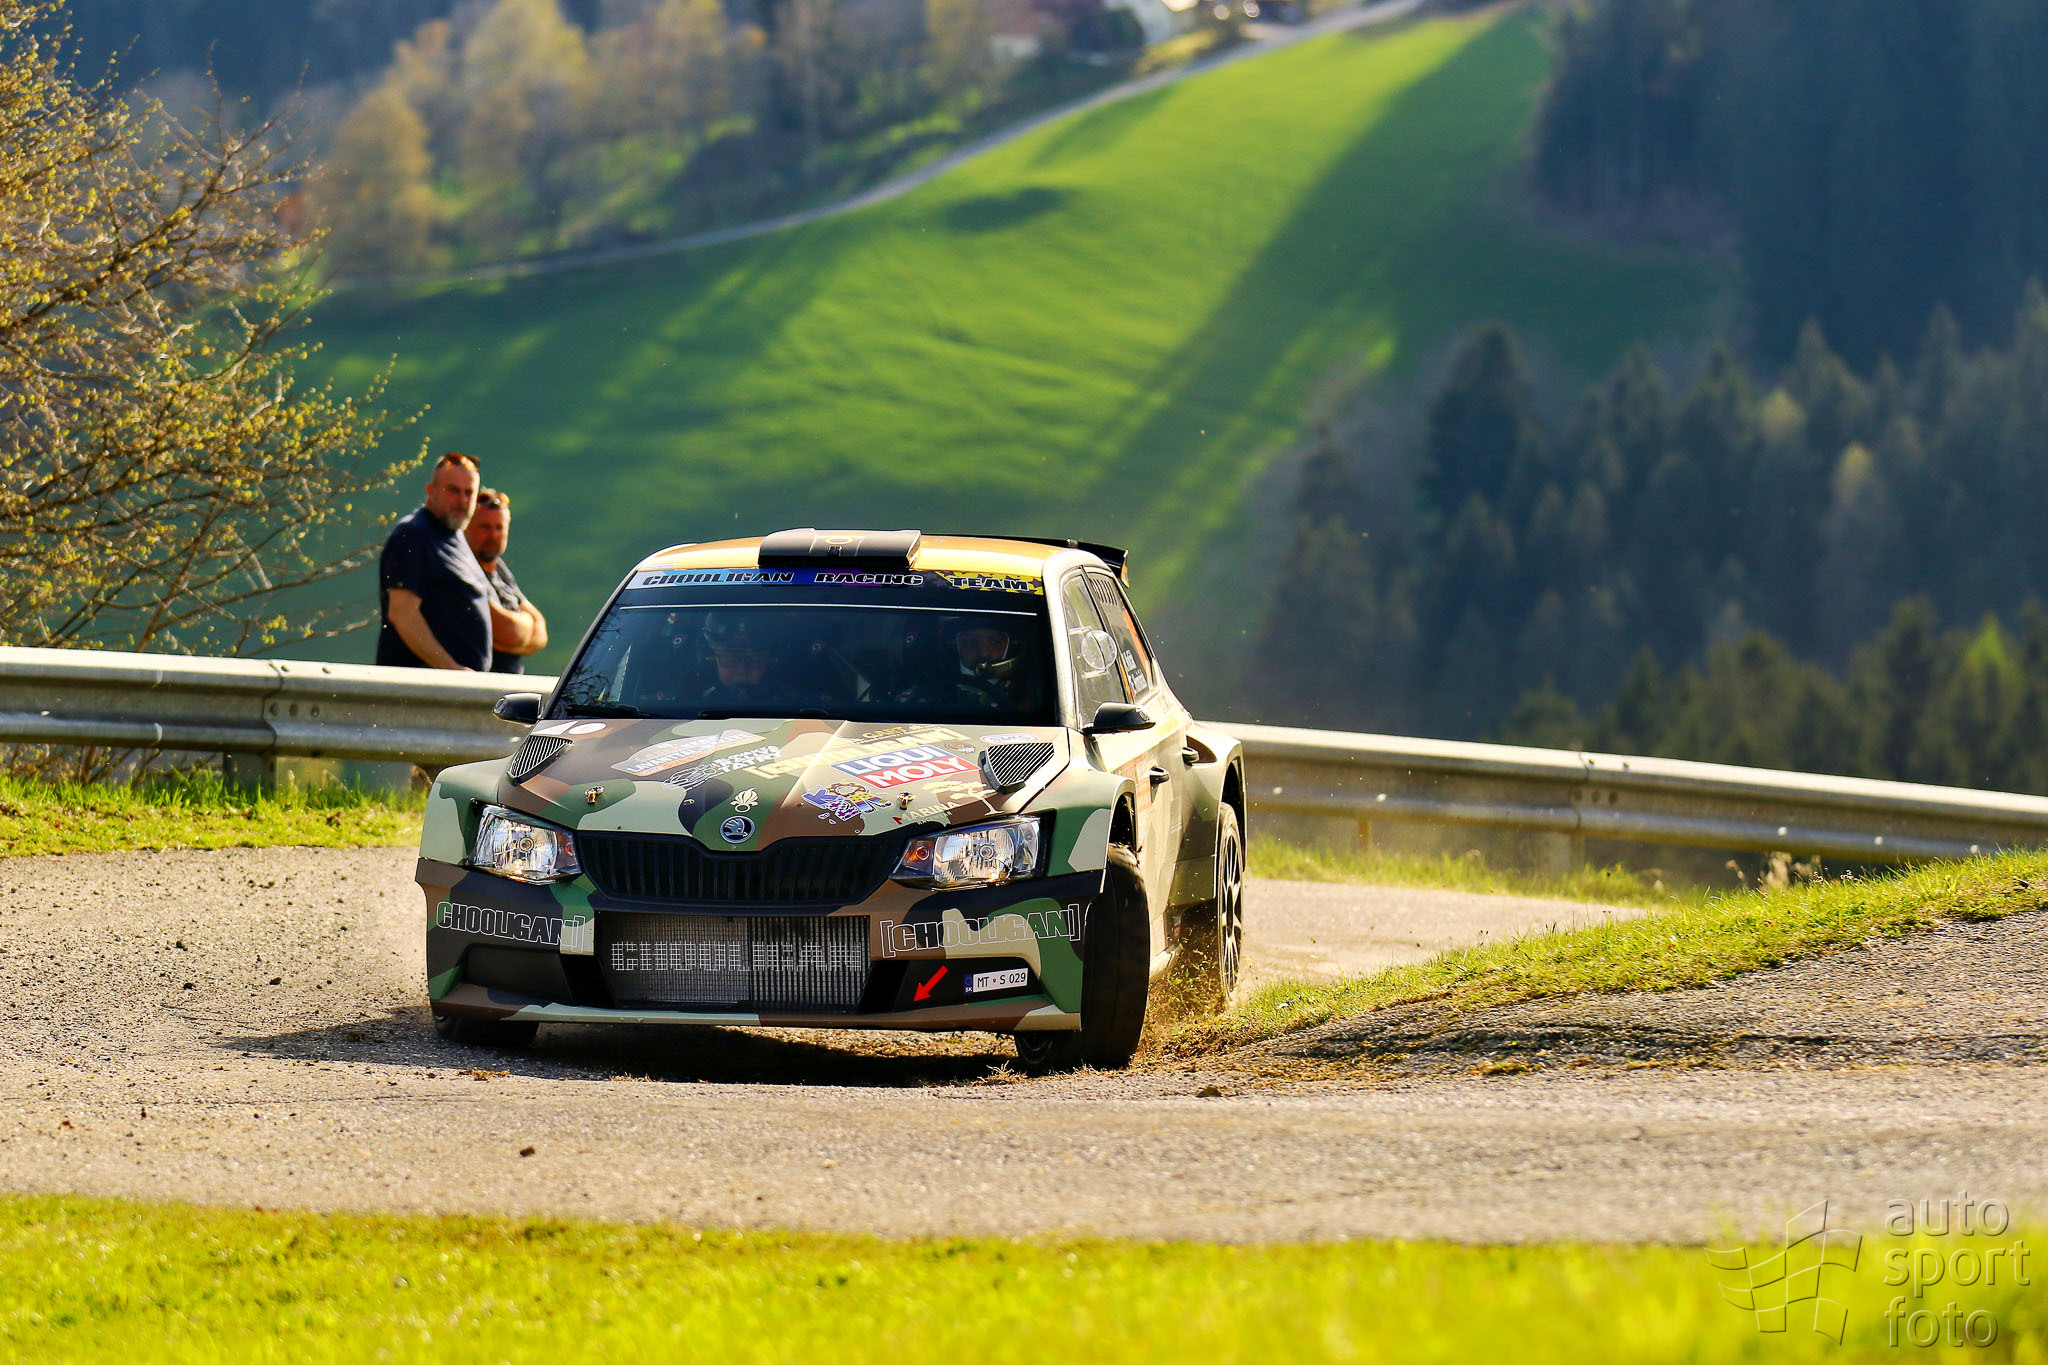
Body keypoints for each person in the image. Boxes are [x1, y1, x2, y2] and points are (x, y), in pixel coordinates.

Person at [376, 452, 492, 671]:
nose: (462, 501)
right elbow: (402, 614)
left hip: (455, 684)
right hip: (423, 685)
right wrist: (451, 670)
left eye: (469, 492)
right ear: (431, 491)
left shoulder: (454, 537)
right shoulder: (414, 535)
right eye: (453, 491)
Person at [465, 488, 548, 675]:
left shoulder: (499, 569)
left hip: (511, 683)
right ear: (467, 527)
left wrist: (517, 639)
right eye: (485, 527)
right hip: (485, 683)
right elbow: (510, 631)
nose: (493, 535)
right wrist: (524, 632)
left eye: (499, 527)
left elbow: (541, 632)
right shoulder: (465, 570)